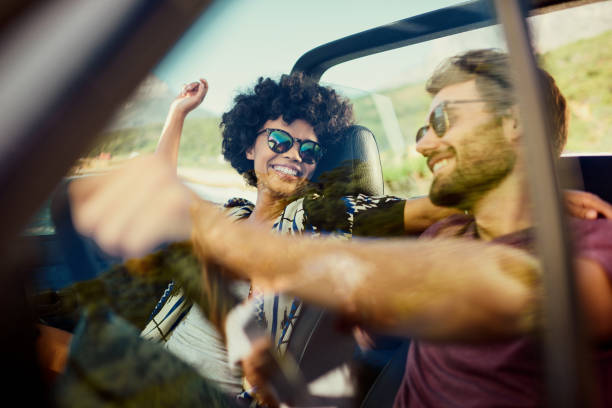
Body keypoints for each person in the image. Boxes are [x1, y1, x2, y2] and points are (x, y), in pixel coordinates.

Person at [63, 52, 612, 407]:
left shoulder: (326, 215)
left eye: (309, 150)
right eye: (279, 142)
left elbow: (419, 219)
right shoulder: (228, 213)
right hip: (151, 354)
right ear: (249, 147)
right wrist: (178, 114)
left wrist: (528, 188)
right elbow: (157, 190)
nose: (294, 157)